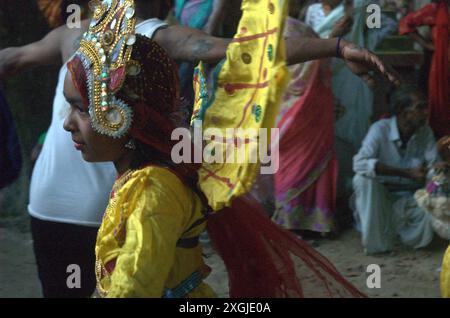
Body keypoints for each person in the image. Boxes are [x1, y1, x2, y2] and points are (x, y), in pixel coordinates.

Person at [0, 0, 398, 297]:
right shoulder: (84, 32)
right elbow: (13, 59)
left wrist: (336, 47)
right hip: (61, 203)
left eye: (83, 107)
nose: (70, 118)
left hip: (94, 204)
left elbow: (238, 52)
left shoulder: (141, 36)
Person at [272, 2, 339, 235]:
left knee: (286, 161)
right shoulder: (303, 31)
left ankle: (289, 219)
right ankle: (318, 222)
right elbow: (321, 61)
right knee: (310, 158)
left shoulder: (264, 33)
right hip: (312, 104)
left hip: (282, 106)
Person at [351, 85, 438, 255]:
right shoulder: (380, 129)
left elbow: (434, 169)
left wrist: (433, 180)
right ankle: (377, 246)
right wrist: (407, 173)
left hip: (411, 200)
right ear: (403, 112)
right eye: (420, 107)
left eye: (426, 107)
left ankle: (399, 235)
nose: (426, 112)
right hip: (380, 200)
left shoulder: (425, 132)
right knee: (362, 179)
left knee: (438, 188)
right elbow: (359, 163)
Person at [399, 0, 450, 138]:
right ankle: (441, 150)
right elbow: (406, 23)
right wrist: (426, 44)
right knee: (441, 108)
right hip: (442, 65)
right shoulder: (436, 9)